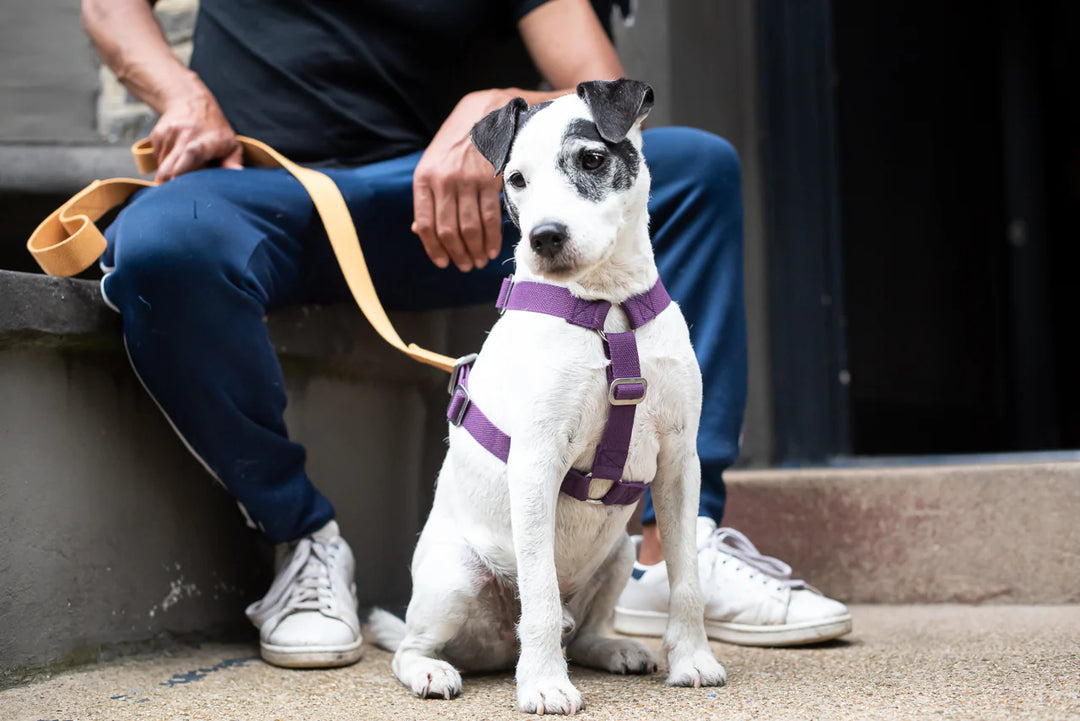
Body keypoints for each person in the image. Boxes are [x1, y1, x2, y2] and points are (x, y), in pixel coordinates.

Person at [81, 0, 851, 668]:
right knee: (160, 243)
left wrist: (505, 103)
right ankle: (302, 538)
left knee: (697, 168)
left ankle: (668, 550)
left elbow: (599, 79)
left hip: (480, 213)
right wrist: (180, 94)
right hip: (271, 194)